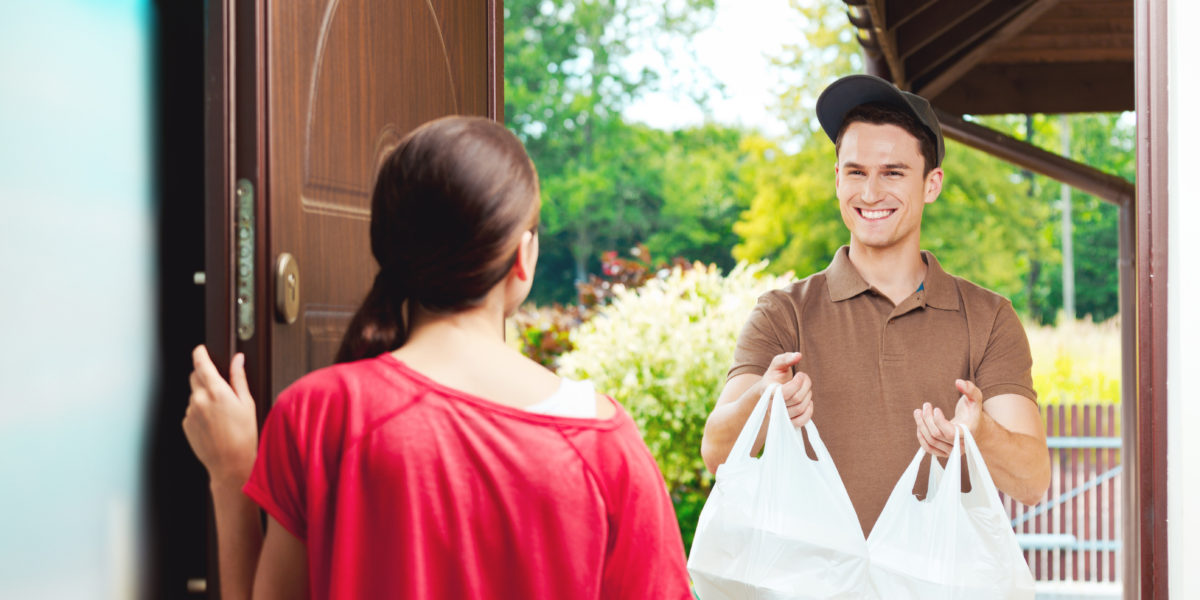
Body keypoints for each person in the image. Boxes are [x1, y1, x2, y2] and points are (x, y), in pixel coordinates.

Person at [183, 116, 692, 599]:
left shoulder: (322, 413)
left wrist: (231, 474)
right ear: (523, 256)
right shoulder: (607, 446)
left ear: (387, 246)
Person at [699, 74, 1052, 537]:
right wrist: (764, 403)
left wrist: (978, 432)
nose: (869, 193)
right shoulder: (783, 313)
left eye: (893, 172)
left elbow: (1032, 481)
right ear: (838, 179)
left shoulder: (988, 318)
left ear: (932, 184)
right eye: (856, 172)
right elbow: (716, 453)